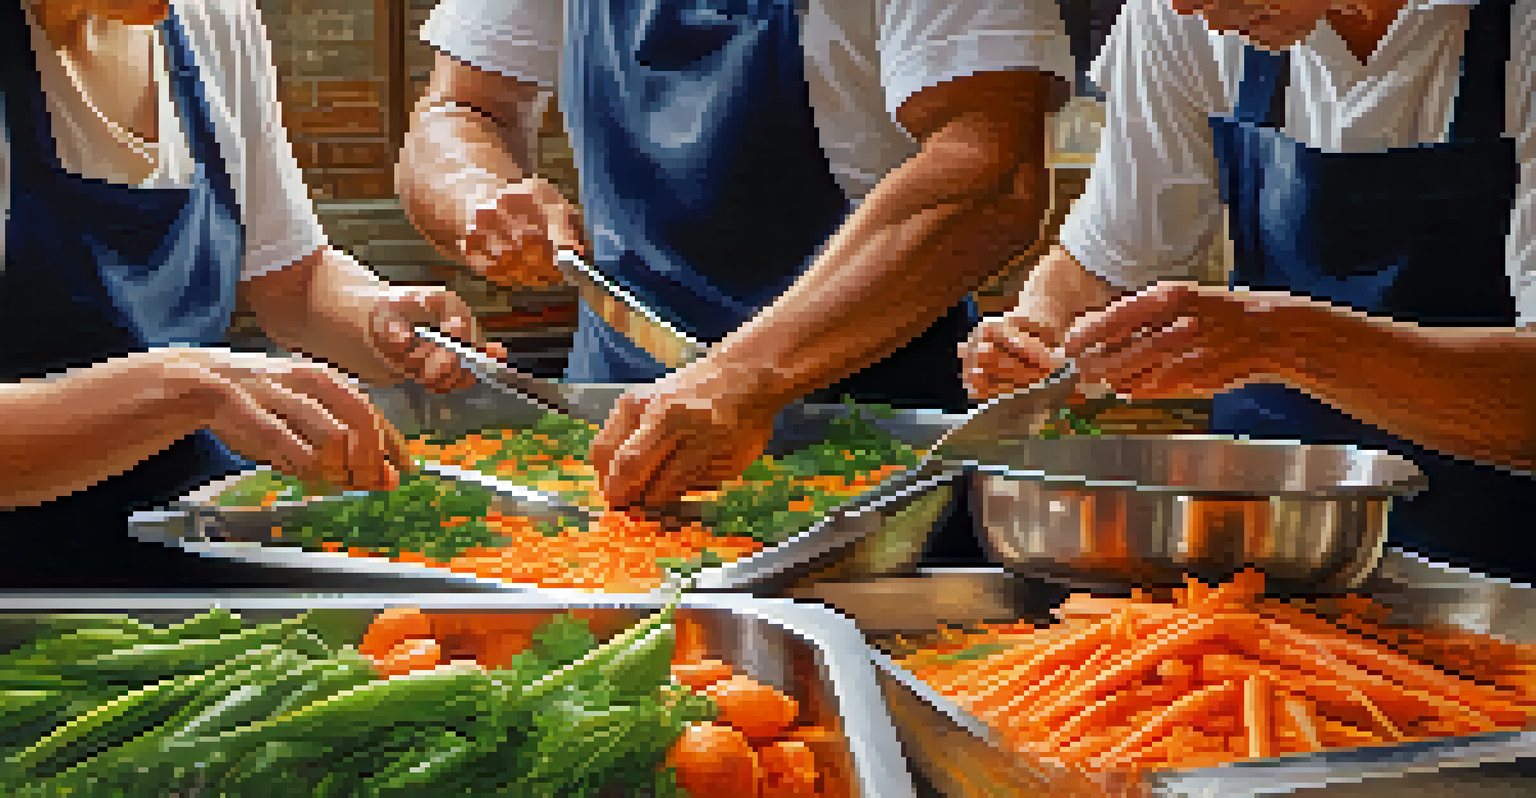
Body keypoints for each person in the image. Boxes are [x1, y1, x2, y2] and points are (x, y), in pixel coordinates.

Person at [396, 0, 1076, 539]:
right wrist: (480, 198)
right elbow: (461, 109)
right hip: (610, 450)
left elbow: (988, 175)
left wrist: (741, 378)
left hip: (873, 473)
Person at [961, 0, 1536, 580]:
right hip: (1263, 557)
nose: (1185, 6)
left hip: (1502, 569)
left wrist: (1283, 342)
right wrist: (1034, 330)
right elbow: (1106, 260)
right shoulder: (1179, 14)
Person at [0, 0, 503, 587]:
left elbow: (292, 282)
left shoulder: (213, 19)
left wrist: (379, 318)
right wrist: (185, 388)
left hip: (198, 550)